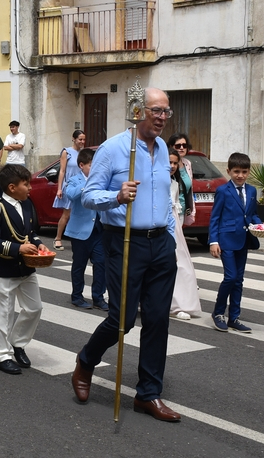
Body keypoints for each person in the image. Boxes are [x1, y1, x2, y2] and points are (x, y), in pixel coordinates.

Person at [71, 87, 181, 422]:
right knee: (121, 319)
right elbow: (89, 196)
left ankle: (148, 393)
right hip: (123, 239)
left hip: (160, 243)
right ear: (139, 111)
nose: (162, 118)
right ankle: (86, 361)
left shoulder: (163, 149)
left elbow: (164, 195)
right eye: (156, 111)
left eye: (166, 112)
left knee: (158, 319)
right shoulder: (114, 148)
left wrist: (170, 235)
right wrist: (116, 196)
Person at [0, 164, 48, 374]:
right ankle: (2, 356)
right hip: (4, 268)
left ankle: (18, 342)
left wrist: (38, 244)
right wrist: (18, 248)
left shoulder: (27, 203)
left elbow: (30, 232)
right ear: (12, 187)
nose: (30, 187)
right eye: (26, 184)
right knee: (3, 313)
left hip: (26, 268)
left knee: (34, 308)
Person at [209, 152, 262, 333]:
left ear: (249, 172)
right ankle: (217, 313)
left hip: (244, 240)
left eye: (244, 172)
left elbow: (252, 214)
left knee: (239, 280)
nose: (240, 175)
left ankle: (234, 317)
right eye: (236, 171)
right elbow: (215, 217)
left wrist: (261, 225)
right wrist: (213, 241)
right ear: (229, 171)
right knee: (230, 277)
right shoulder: (223, 191)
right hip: (226, 240)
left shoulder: (252, 191)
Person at [63, 148, 107, 311]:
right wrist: (87, 184)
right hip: (80, 231)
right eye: (91, 165)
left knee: (101, 263)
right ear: (81, 165)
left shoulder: (101, 180)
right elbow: (71, 194)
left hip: (99, 230)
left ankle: (98, 297)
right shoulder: (75, 180)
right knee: (79, 265)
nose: (95, 169)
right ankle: (77, 296)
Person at [169, 149, 200, 319]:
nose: (172, 166)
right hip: (161, 224)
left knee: (182, 265)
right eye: (169, 163)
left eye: (175, 163)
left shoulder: (175, 182)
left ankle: (180, 303)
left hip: (174, 225)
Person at [52, 129, 86, 251]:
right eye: (80, 139)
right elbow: (62, 171)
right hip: (69, 186)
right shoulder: (67, 152)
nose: (82, 141)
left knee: (80, 213)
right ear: (74, 139)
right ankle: (58, 238)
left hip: (81, 186)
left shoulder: (84, 153)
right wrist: (59, 188)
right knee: (67, 214)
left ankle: (79, 238)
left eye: (83, 139)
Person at [167, 133, 197, 228]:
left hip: (182, 211)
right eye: (178, 145)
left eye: (184, 145)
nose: (181, 148)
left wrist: (192, 210)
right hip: (169, 211)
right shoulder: (167, 164)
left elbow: (189, 190)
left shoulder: (187, 164)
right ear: (171, 147)